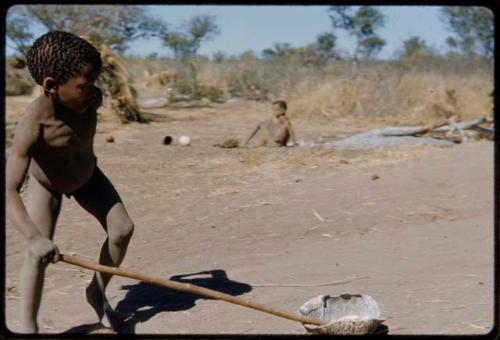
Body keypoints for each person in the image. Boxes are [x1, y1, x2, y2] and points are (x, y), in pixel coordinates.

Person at [6, 31, 134, 333]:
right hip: (47, 184)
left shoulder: (91, 100)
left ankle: (97, 292)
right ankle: (27, 327)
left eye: (95, 82)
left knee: (122, 230)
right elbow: (8, 188)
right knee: (37, 257)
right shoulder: (34, 122)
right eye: (85, 84)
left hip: (88, 177)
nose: (94, 91)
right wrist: (34, 237)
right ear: (52, 86)